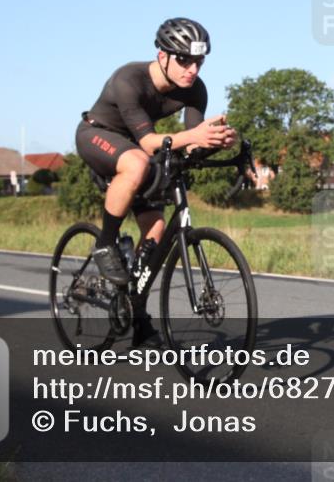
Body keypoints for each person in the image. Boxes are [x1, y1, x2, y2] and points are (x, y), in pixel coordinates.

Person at [75, 17, 237, 347]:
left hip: (137, 149)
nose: (192, 69)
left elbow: (189, 145)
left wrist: (216, 142)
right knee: (136, 162)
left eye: (199, 61)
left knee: (157, 230)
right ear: (162, 55)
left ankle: (136, 314)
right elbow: (149, 144)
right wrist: (192, 135)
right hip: (99, 135)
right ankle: (105, 242)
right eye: (184, 60)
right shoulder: (129, 79)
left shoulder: (195, 90)